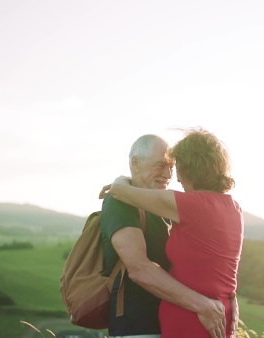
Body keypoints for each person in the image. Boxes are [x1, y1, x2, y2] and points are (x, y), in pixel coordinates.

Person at [102, 128, 244, 338]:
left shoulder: (182, 207)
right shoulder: (233, 207)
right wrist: (223, 298)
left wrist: (120, 182)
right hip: (139, 326)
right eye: (161, 166)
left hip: (191, 319)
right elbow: (140, 269)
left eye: (173, 167)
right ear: (135, 163)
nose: (172, 176)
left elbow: (119, 190)